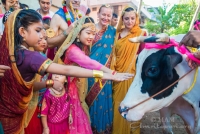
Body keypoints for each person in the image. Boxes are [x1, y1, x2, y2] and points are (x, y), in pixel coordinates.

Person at [0, 9, 133, 134]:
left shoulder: (14, 53)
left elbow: (31, 86)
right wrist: (107, 74)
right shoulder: (32, 56)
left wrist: (50, 82)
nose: (43, 36)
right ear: (22, 32)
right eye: (38, 30)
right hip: (63, 94)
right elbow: (68, 69)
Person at [54, 16, 132, 134]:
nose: (91, 37)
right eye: (88, 33)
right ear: (78, 33)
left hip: (76, 87)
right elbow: (90, 63)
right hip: (69, 92)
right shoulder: (73, 50)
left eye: (93, 33)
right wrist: (112, 73)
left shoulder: (82, 47)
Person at [111, 6, 147, 134]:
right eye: (126, 18)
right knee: (118, 103)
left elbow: (143, 57)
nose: (129, 21)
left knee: (131, 105)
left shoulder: (141, 34)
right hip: (117, 75)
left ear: (136, 19)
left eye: (132, 18)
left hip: (132, 76)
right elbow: (113, 54)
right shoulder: (117, 34)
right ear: (122, 19)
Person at [87, 5, 115, 134]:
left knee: (103, 101)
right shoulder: (89, 30)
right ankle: (88, 128)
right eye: (103, 14)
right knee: (88, 101)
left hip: (106, 74)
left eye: (109, 15)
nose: (106, 17)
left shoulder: (113, 32)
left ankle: (102, 129)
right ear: (98, 14)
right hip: (88, 72)